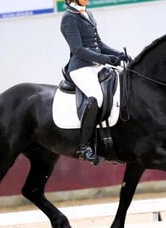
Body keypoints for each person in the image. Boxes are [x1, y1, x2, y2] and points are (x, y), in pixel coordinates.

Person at [60, 0, 130, 163]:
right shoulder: (69, 18)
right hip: (80, 68)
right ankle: (84, 146)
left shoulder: (87, 14)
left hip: (96, 67)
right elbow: (78, 49)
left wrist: (119, 54)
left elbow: (98, 44)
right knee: (96, 96)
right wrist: (105, 59)